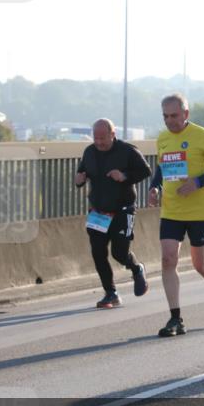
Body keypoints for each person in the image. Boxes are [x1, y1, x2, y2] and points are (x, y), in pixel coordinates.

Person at [148, 93, 204, 336]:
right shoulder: (163, 139)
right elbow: (162, 169)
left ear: (185, 114)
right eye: (165, 116)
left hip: (198, 211)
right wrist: (155, 187)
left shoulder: (201, 135)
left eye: (174, 115)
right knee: (168, 259)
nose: (169, 121)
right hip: (172, 210)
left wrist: (198, 182)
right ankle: (176, 319)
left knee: (199, 265)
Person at [75, 118, 152, 308]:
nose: (99, 142)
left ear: (112, 134)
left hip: (122, 210)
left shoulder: (128, 151)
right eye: (96, 138)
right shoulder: (89, 152)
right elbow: (81, 174)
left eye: (103, 138)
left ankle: (136, 268)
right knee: (98, 253)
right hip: (98, 211)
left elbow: (146, 171)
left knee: (119, 253)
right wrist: (79, 180)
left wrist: (124, 176)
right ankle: (111, 293)